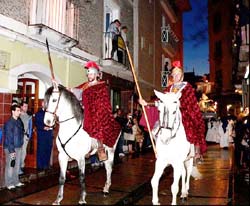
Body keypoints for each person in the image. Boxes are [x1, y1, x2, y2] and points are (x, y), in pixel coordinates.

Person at [139, 60, 207, 160]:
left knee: (191, 125)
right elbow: (160, 100)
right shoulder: (169, 88)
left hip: (184, 112)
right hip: (170, 112)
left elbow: (190, 103)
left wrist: (178, 104)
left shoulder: (187, 87)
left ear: (182, 76)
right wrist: (147, 103)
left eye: (178, 74)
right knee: (158, 127)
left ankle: (196, 151)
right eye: (174, 75)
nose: (176, 77)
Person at [72, 61, 121, 161]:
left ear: (96, 75)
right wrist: (63, 88)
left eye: (91, 74)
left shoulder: (101, 86)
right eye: (88, 74)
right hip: (85, 111)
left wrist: (94, 108)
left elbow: (102, 101)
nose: (89, 76)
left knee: (97, 123)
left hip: (97, 111)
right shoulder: (85, 85)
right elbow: (76, 92)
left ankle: (100, 148)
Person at [3, 104, 25, 190]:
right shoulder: (9, 123)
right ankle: (9, 183)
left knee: (17, 165)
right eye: (17, 110)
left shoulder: (18, 121)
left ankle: (16, 181)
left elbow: (21, 133)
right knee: (10, 165)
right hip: (10, 148)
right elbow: (9, 138)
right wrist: (12, 151)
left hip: (18, 146)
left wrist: (21, 143)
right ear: (13, 111)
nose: (19, 112)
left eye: (19, 110)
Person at [35, 100, 54, 170]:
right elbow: (37, 124)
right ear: (42, 104)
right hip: (42, 134)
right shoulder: (38, 113)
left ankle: (46, 165)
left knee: (48, 149)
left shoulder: (50, 113)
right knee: (41, 150)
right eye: (44, 103)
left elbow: (53, 122)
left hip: (49, 134)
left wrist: (52, 126)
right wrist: (43, 127)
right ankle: (40, 166)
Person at [19, 100, 33, 174]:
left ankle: (21, 165)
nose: (26, 108)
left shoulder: (29, 116)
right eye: (24, 106)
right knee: (18, 151)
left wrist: (29, 136)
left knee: (23, 151)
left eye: (27, 106)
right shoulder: (18, 115)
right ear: (21, 107)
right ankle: (17, 167)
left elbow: (30, 127)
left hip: (25, 136)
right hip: (18, 136)